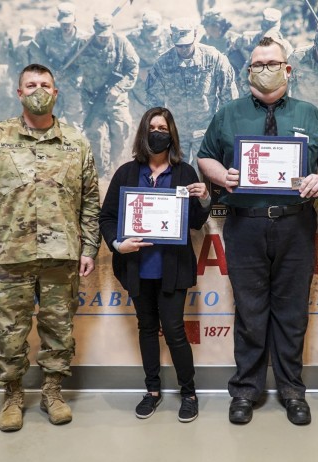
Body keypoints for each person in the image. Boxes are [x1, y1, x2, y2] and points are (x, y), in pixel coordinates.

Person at [197, 37, 318, 425]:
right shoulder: (228, 114)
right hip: (245, 225)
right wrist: (220, 174)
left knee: (292, 312)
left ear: (287, 69)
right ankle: (245, 391)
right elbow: (205, 156)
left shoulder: (309, 114)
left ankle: (293, 391)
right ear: (248, 72)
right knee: (250, 311)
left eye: (272, 63)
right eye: (258, 64)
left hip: (296, 224)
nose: (265, 70)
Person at [0, 63, 101, 432]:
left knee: (59, 329)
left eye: (45, 85)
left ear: (55, 93)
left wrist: (89, 248)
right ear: (19, 93)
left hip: (61, 255)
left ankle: (53, 393)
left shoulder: (76, 142)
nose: (39, 90)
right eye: (31, 85)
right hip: (9, 255)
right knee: (8, 331)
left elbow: (90, 201)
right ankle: (13, 396)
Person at [99, 107, 211, 423]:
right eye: (152, 127)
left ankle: (188, 393)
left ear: (171, 134)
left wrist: (204, 198)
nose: (157, 132)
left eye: (163, 127)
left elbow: (197, 222)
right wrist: (118, 244)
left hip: (172, 267)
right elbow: (106, 217)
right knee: (147, 328)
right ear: (143, 133)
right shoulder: (126, 173)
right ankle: (152, 391)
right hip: (138, 267)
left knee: (175, 331)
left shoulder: (185, 172)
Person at [146, 18, 238, 170]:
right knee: (175, 174)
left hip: (206, 130)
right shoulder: (162, 63)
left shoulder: (214, 58)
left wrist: (223, 127)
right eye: (179, 46)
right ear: (171, 39)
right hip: (177, 131)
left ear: (195, 35)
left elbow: (228, 94)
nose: (183, 49)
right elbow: (153, 98)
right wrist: (159, 129)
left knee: (203, 176)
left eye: (187, 45)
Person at [73, 14, 139, 175]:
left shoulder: (121, 43)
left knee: (121, 131)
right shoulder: (83, 44)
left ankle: (117, 169)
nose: (103, 39)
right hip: (91, 99)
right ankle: (101, 172)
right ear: (94, 31)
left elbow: (133, 68)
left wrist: (118, 88)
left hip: (116, 99)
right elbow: (72, 67)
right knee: (95, 135)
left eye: (106, 36)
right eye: (100, 36)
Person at [33, 2, 86, 125]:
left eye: (69, 23)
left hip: (72, 83)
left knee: (74, 121)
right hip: (51, 82)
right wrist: (47, 67)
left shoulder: (84, 39)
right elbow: (35, 49)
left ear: (75, 20)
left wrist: (77, 73)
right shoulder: (48, 32)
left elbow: (88, 62)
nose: (66, 27)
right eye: (63, 23)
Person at [126, 11, 174, 122]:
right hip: (139, 89)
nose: (152, 38)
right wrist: (139, 71)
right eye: (149, 33)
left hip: (163, 86)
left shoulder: (169, 36)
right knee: (139, 120)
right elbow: (123, 63)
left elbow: (177, 60)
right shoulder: (131, 38)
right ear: (143, 29)